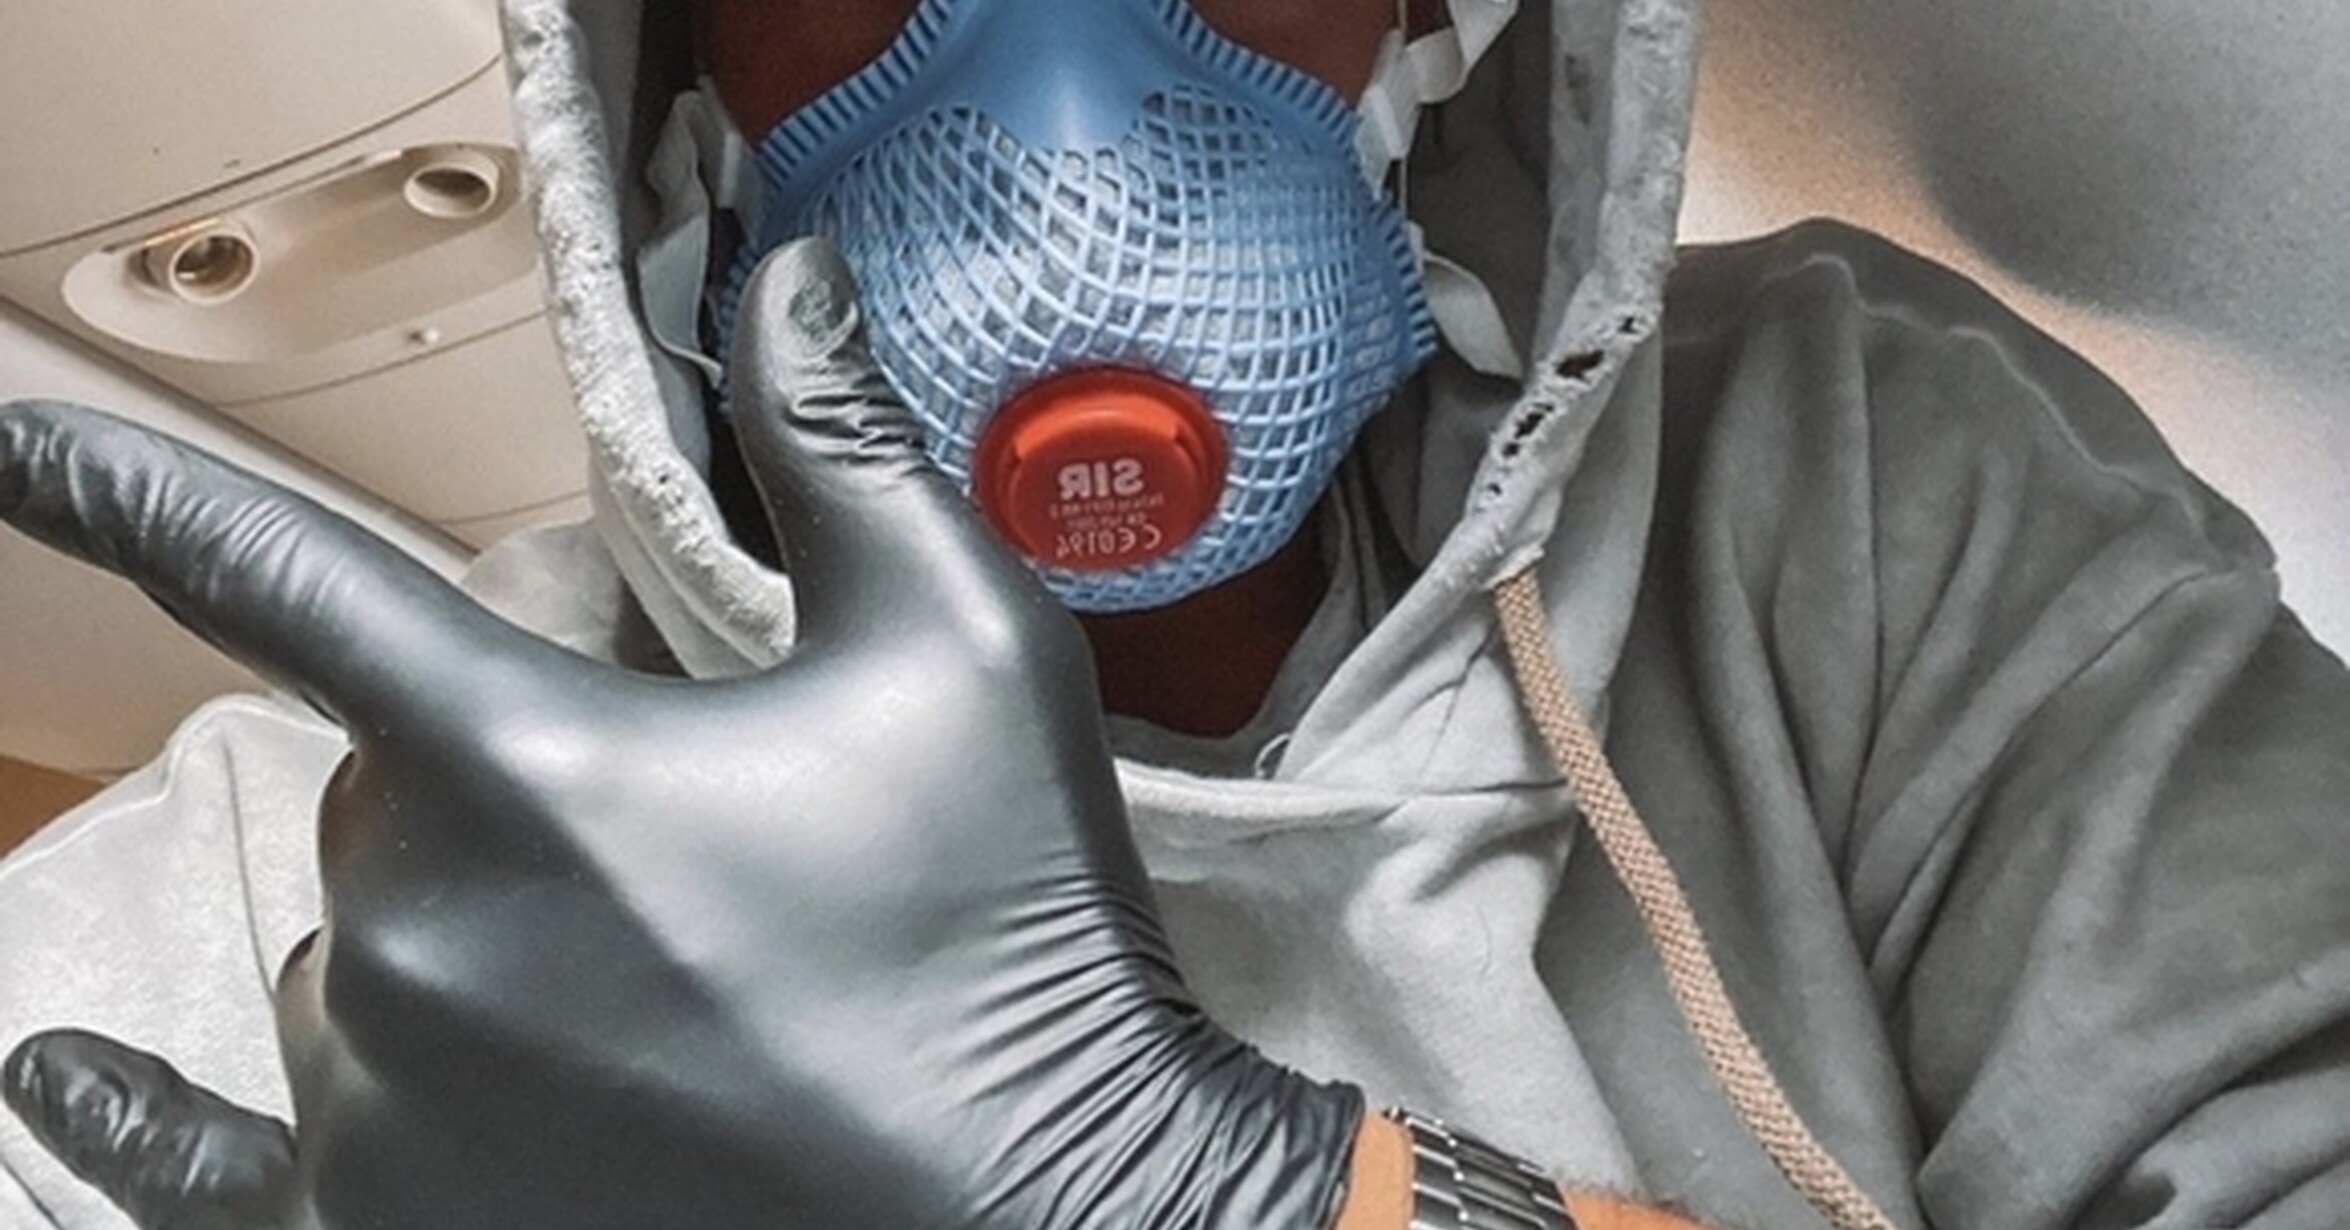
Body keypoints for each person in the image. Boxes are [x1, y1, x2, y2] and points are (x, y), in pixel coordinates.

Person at [3, 1, 2347, 1229]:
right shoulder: (340, 872)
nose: (1067, 104)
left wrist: (1245, 1211)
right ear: (666, 71)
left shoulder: (1863, 489)